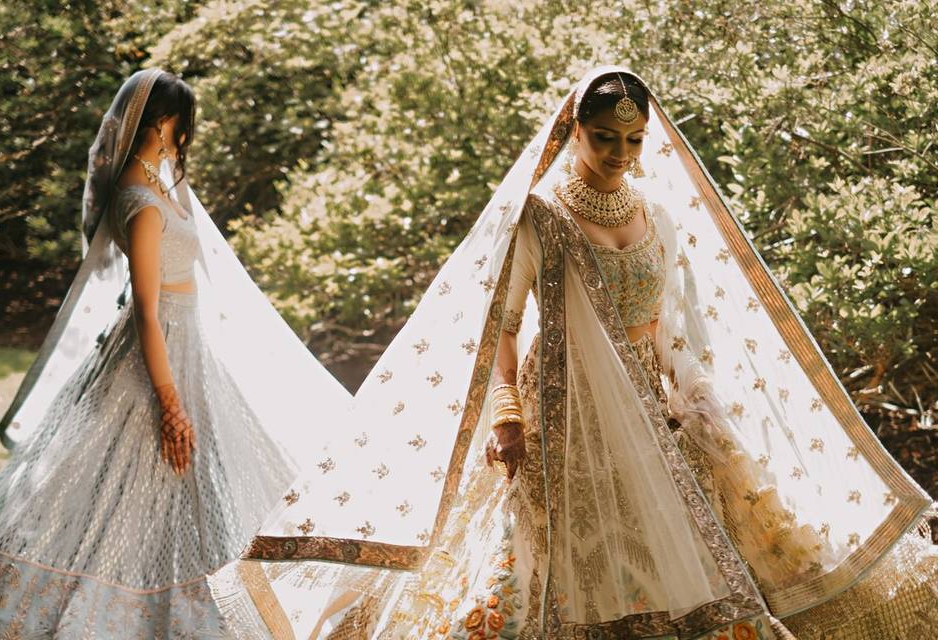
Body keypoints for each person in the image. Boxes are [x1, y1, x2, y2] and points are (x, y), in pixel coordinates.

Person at [211, 67, 938, 639]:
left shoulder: (658, 212)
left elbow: (666, 323)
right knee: (541, 571)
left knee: (678, 561)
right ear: (575, 131)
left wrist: (695, 390)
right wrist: (505, 413)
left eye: (633, 141)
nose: (620, 155)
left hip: (649, 415)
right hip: (555, 414)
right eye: (603, 138)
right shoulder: (543, 212)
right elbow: (498, 324)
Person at [0, 68, 346, 638]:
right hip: (161, 344)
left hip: (186, 342)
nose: (183, 139)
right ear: (164, 124)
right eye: (181, 126)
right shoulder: (143, 202)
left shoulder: (153, 185)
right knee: (135, 483)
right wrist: (169, 402)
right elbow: (147, 308)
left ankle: (210, 596)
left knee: (191, 481)